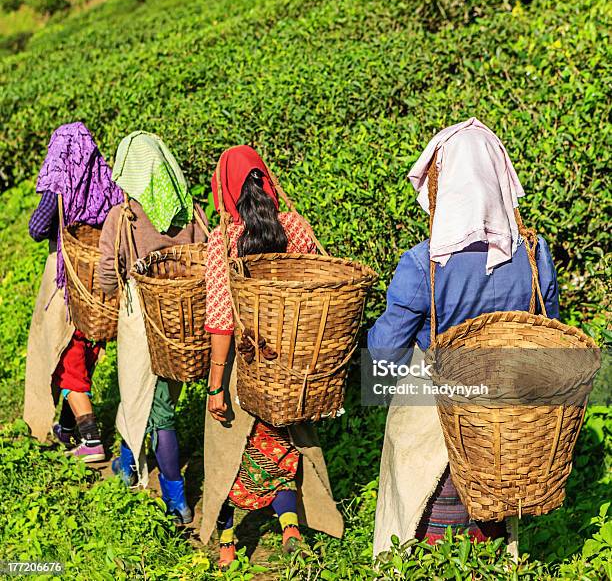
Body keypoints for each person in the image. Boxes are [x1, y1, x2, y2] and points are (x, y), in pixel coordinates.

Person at [368, 118, 560, 555]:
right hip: (506, 414)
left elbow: (384, 352)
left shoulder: (423, 264)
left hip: (437, 409)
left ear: (443, 183)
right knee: (492, 511)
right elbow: (552, 328)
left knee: (422, 518)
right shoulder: (534, 253)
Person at [201, 145, 344, 569]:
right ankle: (291, 529)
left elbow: (221, 319)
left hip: (244, 367)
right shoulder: (295, 228)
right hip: (289, 367)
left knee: (229, 453)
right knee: (281, 448)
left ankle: (227, 541)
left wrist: (215, 387)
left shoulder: (223, 240)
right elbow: (320, 288)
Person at [97, 131, 206, 523]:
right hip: (182, 320)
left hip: (141, 319)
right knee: (158, 395)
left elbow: (108, 273)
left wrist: (107, 288)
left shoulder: (122, 216)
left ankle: (176, 497)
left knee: (150, 402)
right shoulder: (190, 211)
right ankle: (128, 463)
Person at [23, 122, 123, 462]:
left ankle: (91, 438)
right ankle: (67, 429)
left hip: (69, 275)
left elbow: (38, 229)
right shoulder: (107, 179)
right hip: (101, 276)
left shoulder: (59, 185)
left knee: (64, 350)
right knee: (86, 342)